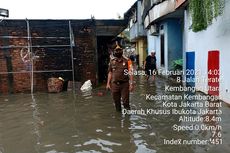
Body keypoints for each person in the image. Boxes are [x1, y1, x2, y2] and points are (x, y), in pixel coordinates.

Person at [106, 42, 134, 112]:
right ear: (114, 52)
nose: (118, 51)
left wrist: (131, 84)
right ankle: (118, 118)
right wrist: (108, 83)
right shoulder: (112, 61)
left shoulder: (128, 61)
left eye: (120, 50)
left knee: (125, 102)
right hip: (114, 85)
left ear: (122, 50)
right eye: (116, 50)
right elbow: (110, 72)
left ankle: (127, 119)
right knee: (116, 103)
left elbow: (130, 72)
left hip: (124, 84)